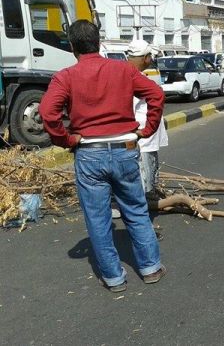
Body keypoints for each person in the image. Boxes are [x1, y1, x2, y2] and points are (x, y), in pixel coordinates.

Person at [39, 20, 166, 293]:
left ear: (72, 46)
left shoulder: (66, 76)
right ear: (98, 42)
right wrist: (147, 129)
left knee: (98, 219)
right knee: (135, 210)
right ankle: (151, 268)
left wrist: (66, 139)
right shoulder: (123, 70)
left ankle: (114, 278)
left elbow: (48, 112)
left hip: (89, 153)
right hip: (126, 150)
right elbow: (155, 94)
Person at [127, 40, 169, 199]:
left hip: (146, 137)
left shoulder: (137, 75)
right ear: (145, 57)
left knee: (149, 170)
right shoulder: (130, 77)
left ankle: (147, 196)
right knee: (142, 174)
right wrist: (144, 131)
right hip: (141, 138)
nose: (151, 59)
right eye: (150, 56)